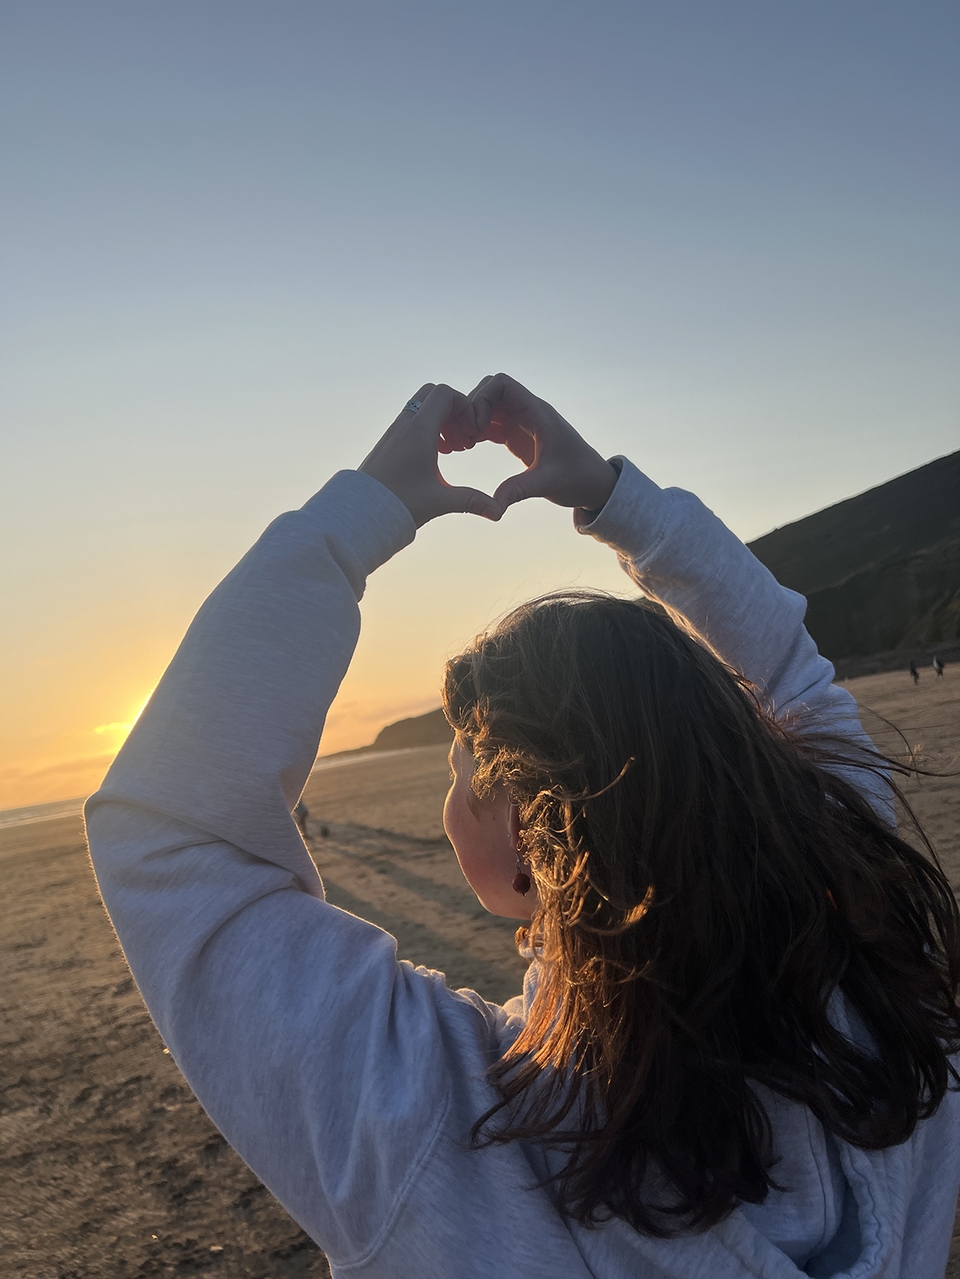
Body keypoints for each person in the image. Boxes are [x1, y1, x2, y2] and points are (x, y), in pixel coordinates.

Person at [85, 376, 960, 1279]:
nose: (447, 797)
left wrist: (355, 518)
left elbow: (172, 835)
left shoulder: (447, 1124)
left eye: (457, 771)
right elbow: (795, 680)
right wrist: (621, 501)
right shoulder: (875, 993)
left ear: (523, 833)